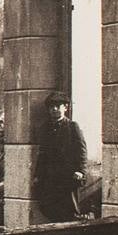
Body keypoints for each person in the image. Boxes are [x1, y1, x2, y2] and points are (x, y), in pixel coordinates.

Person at [35, 92, 88, 222]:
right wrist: (37, 175)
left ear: (65, 108)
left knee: (69, 211)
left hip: (67, 177)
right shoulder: (45, 128)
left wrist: (81, 171)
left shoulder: (72, 127)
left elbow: (82, 151)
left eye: (58, 106)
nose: (54, 109)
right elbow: (42, 154)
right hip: (49, 178)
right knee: (48, 208)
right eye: (51, 107)